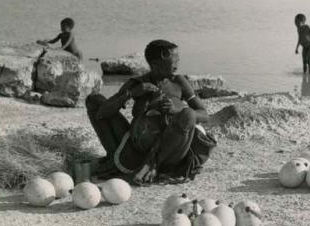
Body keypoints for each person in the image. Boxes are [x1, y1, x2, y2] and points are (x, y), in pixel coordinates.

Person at [85, 39, 216, 185]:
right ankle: (113, 158)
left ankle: (153, 165)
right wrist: (130, 94)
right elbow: (101, 113)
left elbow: (204, 115)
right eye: (175, 60)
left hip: (169, 150)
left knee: (189, 114)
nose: (178, 63)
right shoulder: (137, 83)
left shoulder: (178, 82)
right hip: (137, 146)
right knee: (94, 100)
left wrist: (178, 109)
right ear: (155, 64)